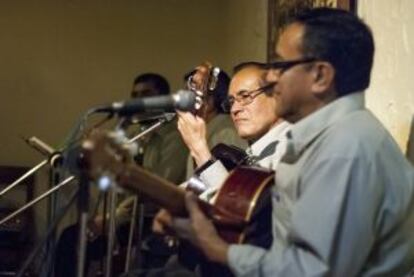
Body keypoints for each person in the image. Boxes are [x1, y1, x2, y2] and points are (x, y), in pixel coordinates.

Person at [155, 8, 414, 276]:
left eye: (280, 65)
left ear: (320, 76)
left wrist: (218, 248)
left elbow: (310, 271)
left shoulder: (345, 150)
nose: (269, 77)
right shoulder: (326, 139)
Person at [150, 62, 290, 276]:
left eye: (245, 96)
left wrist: (199, 149)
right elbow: (194, 188)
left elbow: (244, 213)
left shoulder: (290, 147)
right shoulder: (244, 153)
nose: (234, 109)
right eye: (232, 100)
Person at [55, 73, 189, 276]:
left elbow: (157, 189)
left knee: (72, 239)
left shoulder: (175, 136)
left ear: (162, 98)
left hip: (150, 218)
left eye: (145, 94)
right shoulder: (137, 132)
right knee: (72, 237)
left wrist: (111, 218)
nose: (137, 101)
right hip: (124, 214)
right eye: (134, 95)